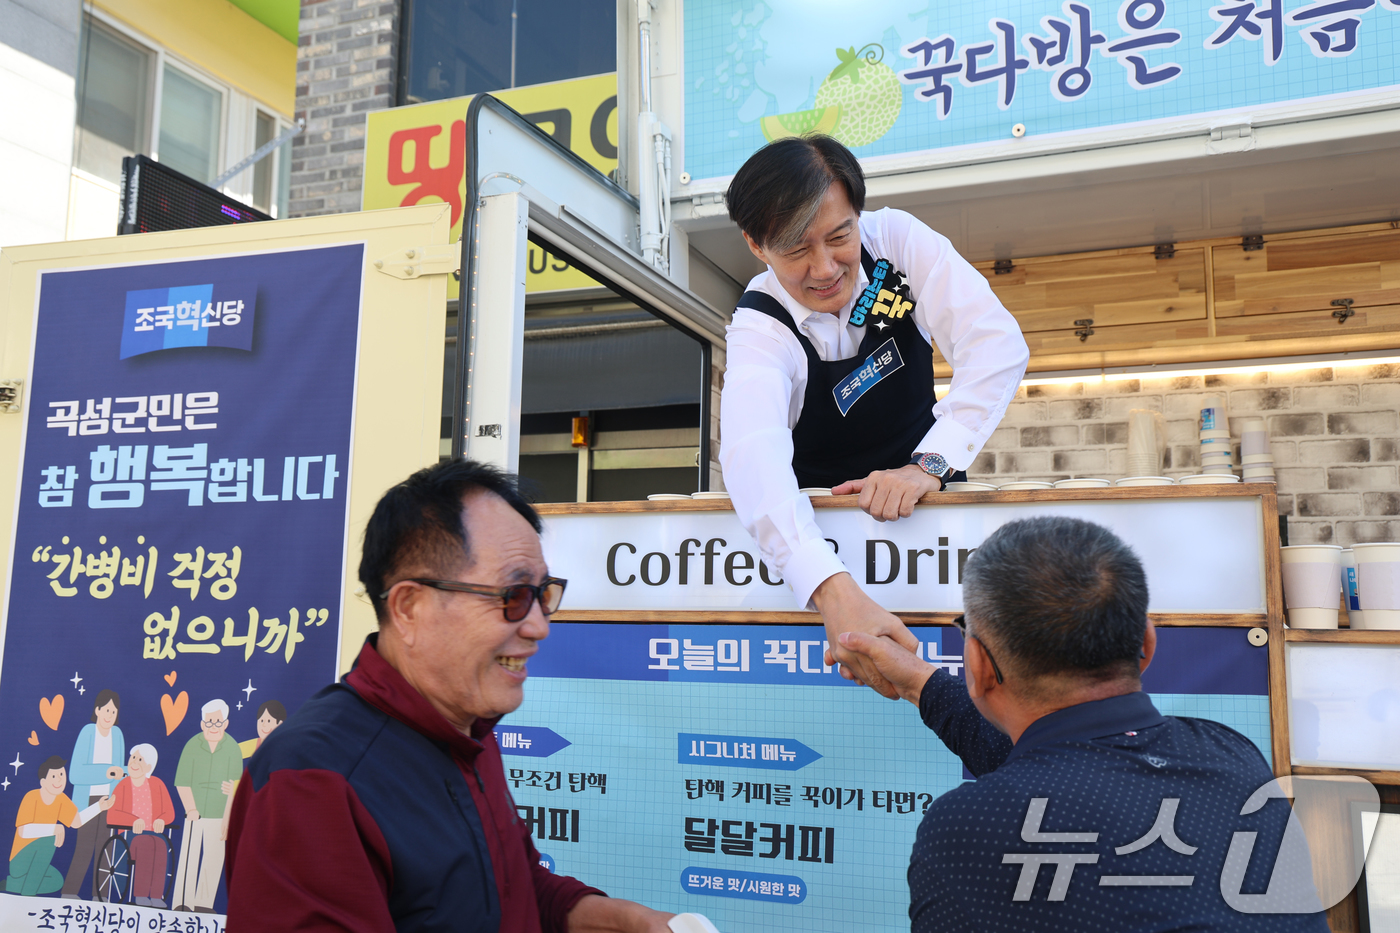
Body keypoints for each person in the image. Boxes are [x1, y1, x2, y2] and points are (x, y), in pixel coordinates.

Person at [225, 458, 675, 932]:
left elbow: (508, 889)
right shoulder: (313, 782)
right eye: (514, 596)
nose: (540, 625)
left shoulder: (468, 731)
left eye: (543, 594)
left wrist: (629, 921)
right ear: (409, 608)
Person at [837, 516, 1328, 931]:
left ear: (980, 666)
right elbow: (1058, 764)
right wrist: (918, 683)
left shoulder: (966, 829)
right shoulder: (1231, 757)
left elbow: (1046, 778)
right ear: (1148, 644)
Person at [719, 135, 1028, 696]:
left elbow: (995, 344)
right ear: (756, 245)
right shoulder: (759, 326)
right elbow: (751, 453)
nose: (824, 268)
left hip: (934, 519)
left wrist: (927, 466)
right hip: (823, 543)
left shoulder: (899, 244)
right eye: (794, 249)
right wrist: (831, 591)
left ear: (858, 214)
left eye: (839, 236)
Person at [172, 698, 242, 912]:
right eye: (209, 722)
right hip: (195, 811)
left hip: (220, 812)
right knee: (189, 856)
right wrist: (191, 808)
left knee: (214, 857)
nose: (214, 727)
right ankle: (182, 903)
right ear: (202, 724)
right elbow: (182, 782)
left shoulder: (232, 748)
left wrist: (228, 819)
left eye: (218, 722)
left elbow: (235, 787)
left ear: (226, 723)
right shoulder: (193, 745)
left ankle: (203, 903)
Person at [61, 689, 124, 899]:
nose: (109, 715)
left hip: (109, 800)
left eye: (113, 712)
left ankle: (101, 896)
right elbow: (75, 773)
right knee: (84, 848)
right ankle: (69, 893)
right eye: (106, 710)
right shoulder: (88, 732)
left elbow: (119, 771)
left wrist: (127, 772)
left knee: (106, 849)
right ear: (97, 710)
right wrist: (106, 772)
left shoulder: (118, 734)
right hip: (87, 800)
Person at [105, 744, 176, 907]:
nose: (134, 763)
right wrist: (133, 821)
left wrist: (161, 820)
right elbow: (112, 814)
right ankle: (141, 895)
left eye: (140, 760)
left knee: (160, 844)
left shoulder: (157, 784)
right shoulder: (122, 785)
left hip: (153, 833)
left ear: (149, 767)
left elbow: (169, 812)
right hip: (129, 835)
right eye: (133, 758)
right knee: (146, 844)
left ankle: (157, 896)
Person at [7, 757, 80, 896]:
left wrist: (100, 807)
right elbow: (23, 831)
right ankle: (28, 896)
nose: (59, 779)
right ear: (43, 782)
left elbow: (77, 822)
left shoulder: (62, 799)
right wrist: (54, 828)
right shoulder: (31, 797)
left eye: (61, 775)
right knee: (49, 838)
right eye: (54, 776)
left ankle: (11, 884)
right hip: (19, 862)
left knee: (56, 881)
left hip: (37, 864)